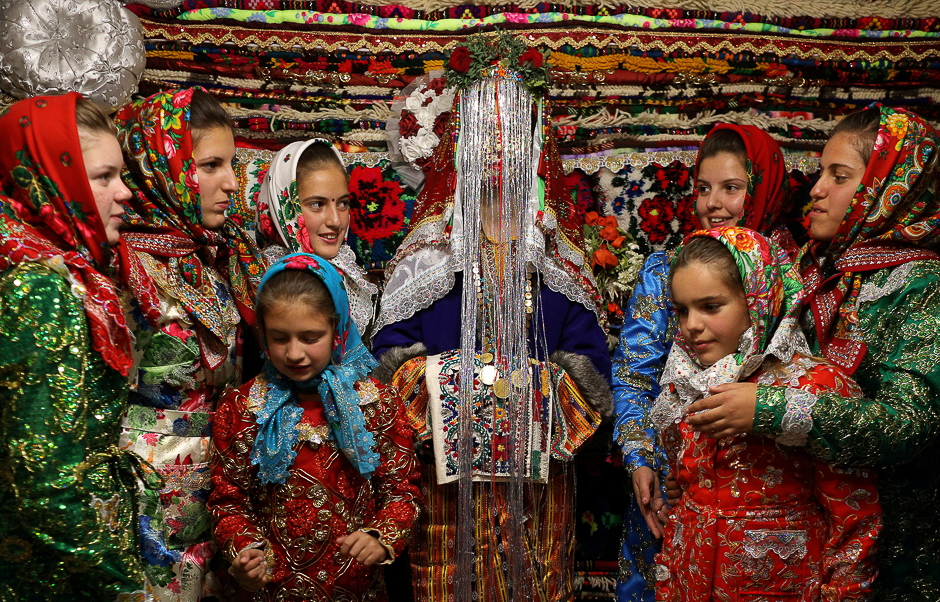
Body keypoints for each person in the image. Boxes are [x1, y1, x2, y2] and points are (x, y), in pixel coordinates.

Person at [372, 38, 612, 602]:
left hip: (536, 492)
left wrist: (525, 395)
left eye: (512, 138)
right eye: (486, 135)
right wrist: (453, 392)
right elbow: (384, 367)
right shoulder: (426, 264)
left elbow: (592, 371)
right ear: (461, 146)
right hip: (444, 491)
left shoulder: (556, 264)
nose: (498, 157)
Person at [686, 106, 940, 601]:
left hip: (892, 556)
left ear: (890, 189)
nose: (817, 188)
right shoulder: (810, 270)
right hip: (796, 551)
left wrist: (771, 409)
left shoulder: (922, 287)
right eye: (821, 171)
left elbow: (911, 424)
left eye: (838, 176)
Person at [611, 124, 791, 601]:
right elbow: (633, 375)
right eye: (703, 188)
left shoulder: (792, 275)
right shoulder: (666, 270)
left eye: (732, 188)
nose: (713, 203)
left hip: (765, 496)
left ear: (764, 188)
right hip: (673, 485)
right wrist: (640, 460)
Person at [652, 227, 881, 601]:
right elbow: (688, 480)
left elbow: (854, 519)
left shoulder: (814, 384)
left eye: (711, 306)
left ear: (759, 301)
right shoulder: (685, 382)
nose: (691, 325)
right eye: (681, 310)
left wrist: (845, 593)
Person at [114, 87, 266, 601]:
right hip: (148, 500)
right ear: (163, 168)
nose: (230, 183)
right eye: (210, 165)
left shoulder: (217, 259)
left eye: (232, 164)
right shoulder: (124, 267)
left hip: (219, 493)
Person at [208, 253, 421, 601]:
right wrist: (246, 552)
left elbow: (403, 491)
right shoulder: (243, 408)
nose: (294, 353)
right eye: (279, 338)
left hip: (356, 589)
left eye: (310, 337)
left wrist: (380, 537)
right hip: (269, 591)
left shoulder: (376, 403)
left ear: (337, 331)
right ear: (261, 334)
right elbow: (228, 500)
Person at [0, 93, 145, 598]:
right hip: (58, 573)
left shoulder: (58, 270)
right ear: (49, 178)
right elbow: (45, 480)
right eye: (104, 177)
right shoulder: (40, 289)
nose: (125, 193)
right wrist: (123, 584)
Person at [256, 139, 377, 337]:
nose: (336, 221)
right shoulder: (267, 278)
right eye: (317, 204)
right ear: (284, 207)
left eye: (343, 203)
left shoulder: (349, 271)